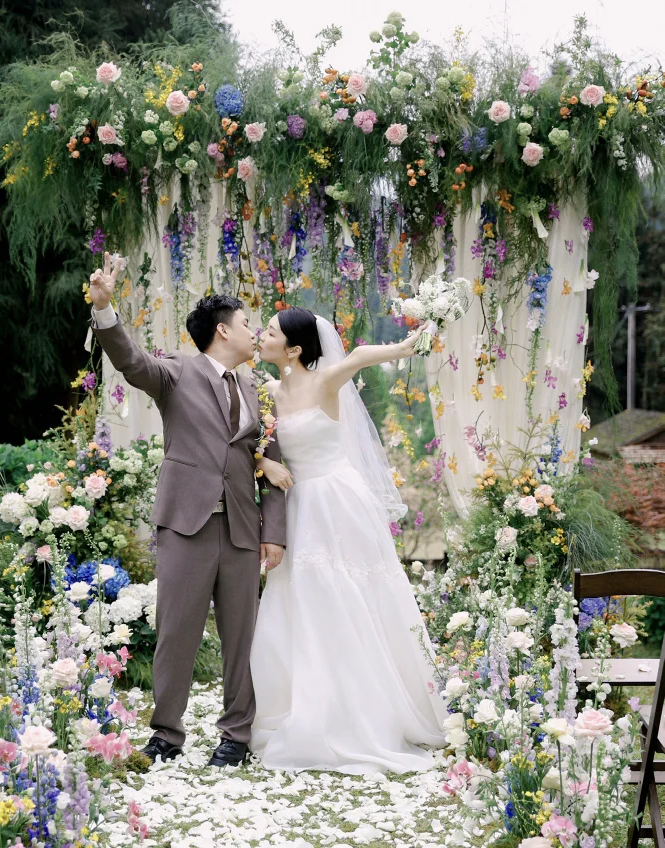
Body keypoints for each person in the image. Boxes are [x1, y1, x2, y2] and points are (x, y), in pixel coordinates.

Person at [89, 253, 286, 768]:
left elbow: (272, 460)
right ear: (223, 331)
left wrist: (275, 532)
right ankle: (166, 734)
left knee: (243, 638)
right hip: (186, 524)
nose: (254, 331)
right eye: (247, 323)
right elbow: (132, 362)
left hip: (242, 528)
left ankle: (235, 736)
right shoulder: (176, 372)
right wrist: (105, 310)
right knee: (176, 632)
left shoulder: (258, 389)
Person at [250, 306, 448, 774]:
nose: (262, 336)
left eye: (271, 332)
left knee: (356, 593)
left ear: (294, 350)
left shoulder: (325, 381)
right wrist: (262, 463)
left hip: (337, 500)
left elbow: (359, 354)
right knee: (303, 599)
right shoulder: (268, 392)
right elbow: (250, 445)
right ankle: (305, 704)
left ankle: (372, 710)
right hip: (299, 505)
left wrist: (409, 345)